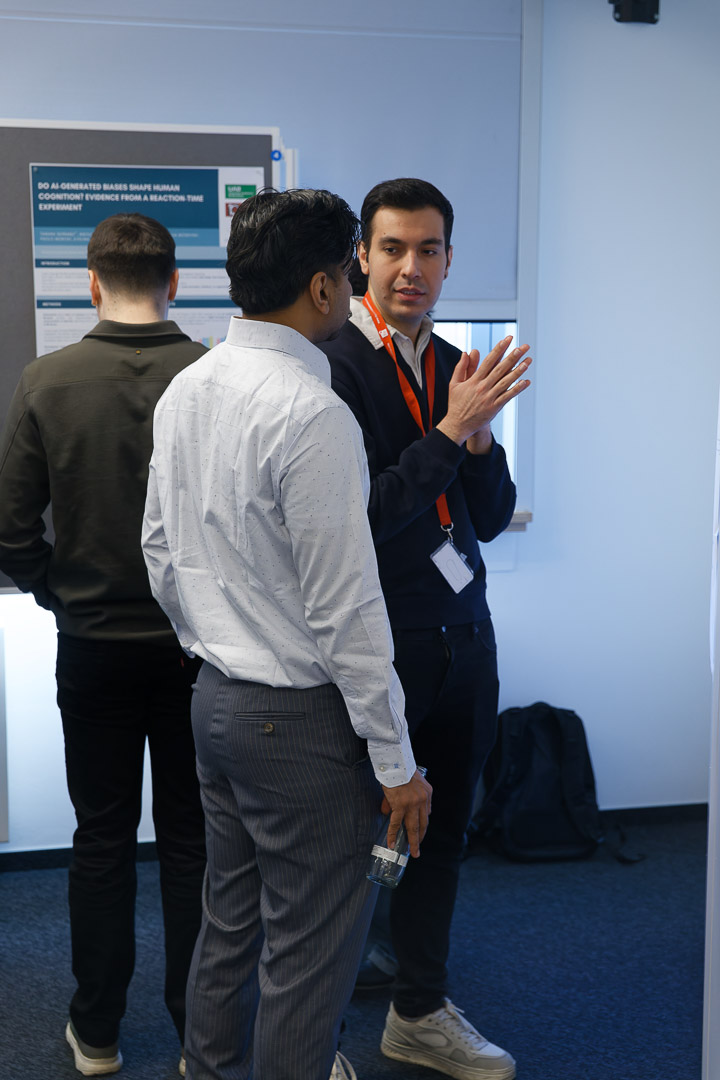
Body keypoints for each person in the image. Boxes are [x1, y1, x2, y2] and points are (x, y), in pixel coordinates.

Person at [141, 188, 432, 1080]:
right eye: (352, 267)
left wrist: (212, 640)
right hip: (299, 728)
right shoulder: (312, 413)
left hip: (215, 703)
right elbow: (347, 612)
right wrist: (397, 764)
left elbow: (158, 550)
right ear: (322, 286)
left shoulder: (189, 387)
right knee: (310, 959)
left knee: (229, 924)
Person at [322, 178, 532, 1080]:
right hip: (378, 644)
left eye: (430, 249)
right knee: (349, 850)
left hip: (463, 637)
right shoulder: (331, 364)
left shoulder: (455, 362)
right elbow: (366, 517)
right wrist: (450, 429)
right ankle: (315, 1037)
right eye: (394, 248)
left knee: (440, 839)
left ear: (449, 260)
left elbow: (489, 518)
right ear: (361, 258)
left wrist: (477, 441)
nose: (412, 267)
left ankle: (417, 1012)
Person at [0, 213, 207, 1077]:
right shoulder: (212, 374)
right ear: (175, 282)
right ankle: (202, 1034)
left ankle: (97, 1033)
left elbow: (11, 532)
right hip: (200, 652)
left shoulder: (45, 380)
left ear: (91, 283)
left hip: (92, 647)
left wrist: (61, 593)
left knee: (101, 840)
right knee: (195, 843)